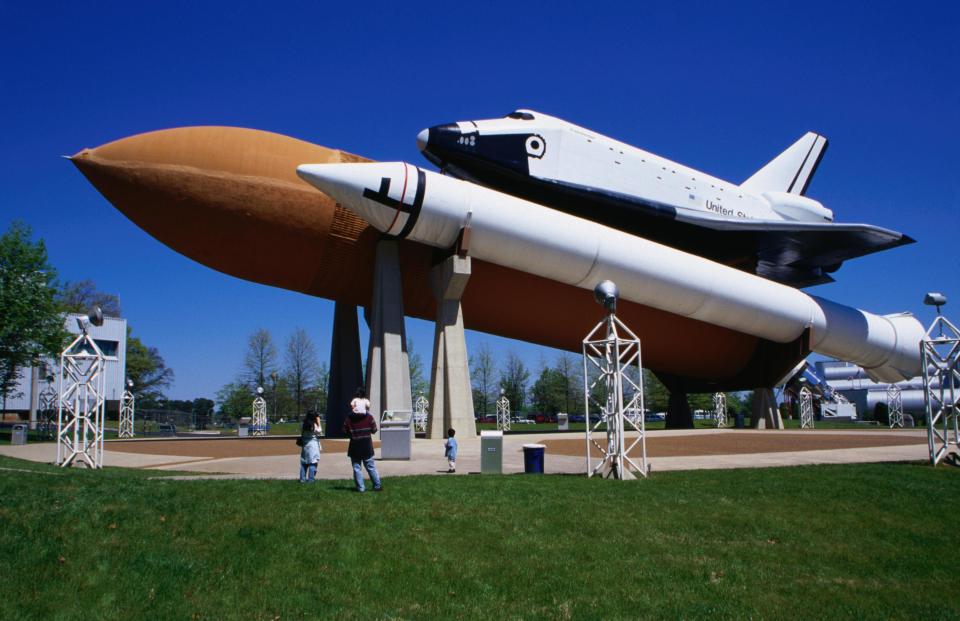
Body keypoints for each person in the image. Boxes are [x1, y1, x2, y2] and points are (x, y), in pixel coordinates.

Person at [342, 387, 382, 492]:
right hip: (366, 445)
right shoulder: (369, 417)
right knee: (370, 466)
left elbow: (344, 430)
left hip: (354, 445)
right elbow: (374, 430)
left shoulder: (349, 417)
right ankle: (377, 485)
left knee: (357, 468)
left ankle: (361, 488)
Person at [299, 411, 322, 483]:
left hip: (305, 444)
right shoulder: (314, 425)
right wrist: (319, 422)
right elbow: (320, 431)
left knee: (304, 463)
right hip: (313, 445)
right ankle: (311, 479)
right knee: (313, 462)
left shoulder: (303, 424)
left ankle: (302, 479)